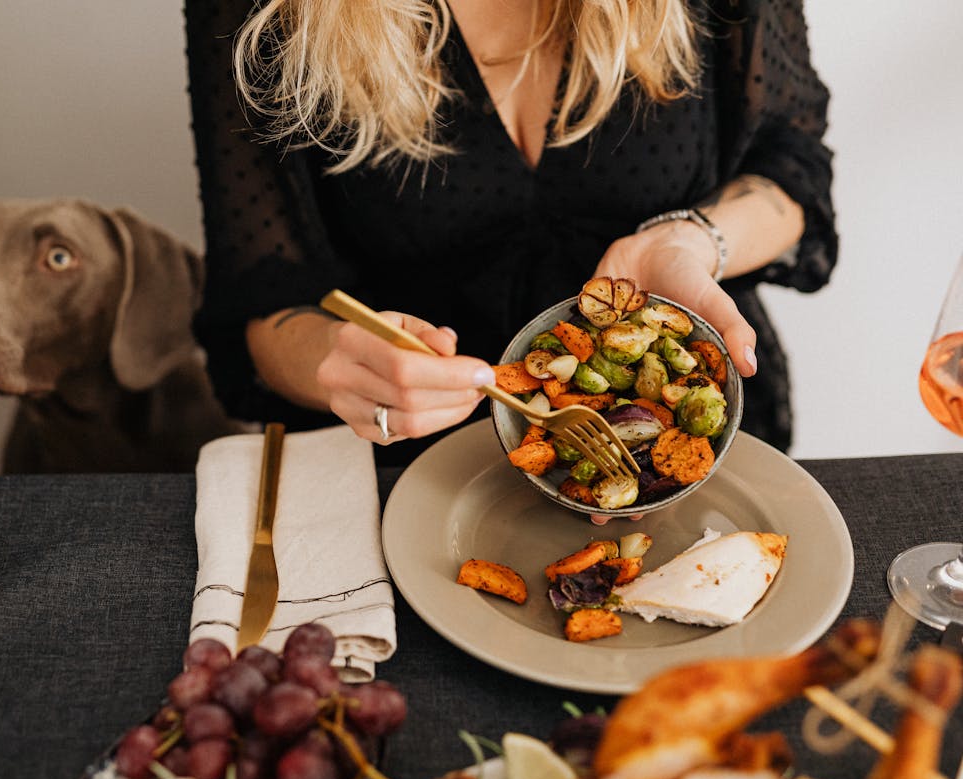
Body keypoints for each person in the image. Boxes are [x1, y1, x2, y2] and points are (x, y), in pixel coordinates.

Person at [185, 0, 836, 469]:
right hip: (406, 468)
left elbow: (791, 161)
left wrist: (692, 240)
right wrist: (337, 364)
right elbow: (262, 295)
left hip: (685, 449)